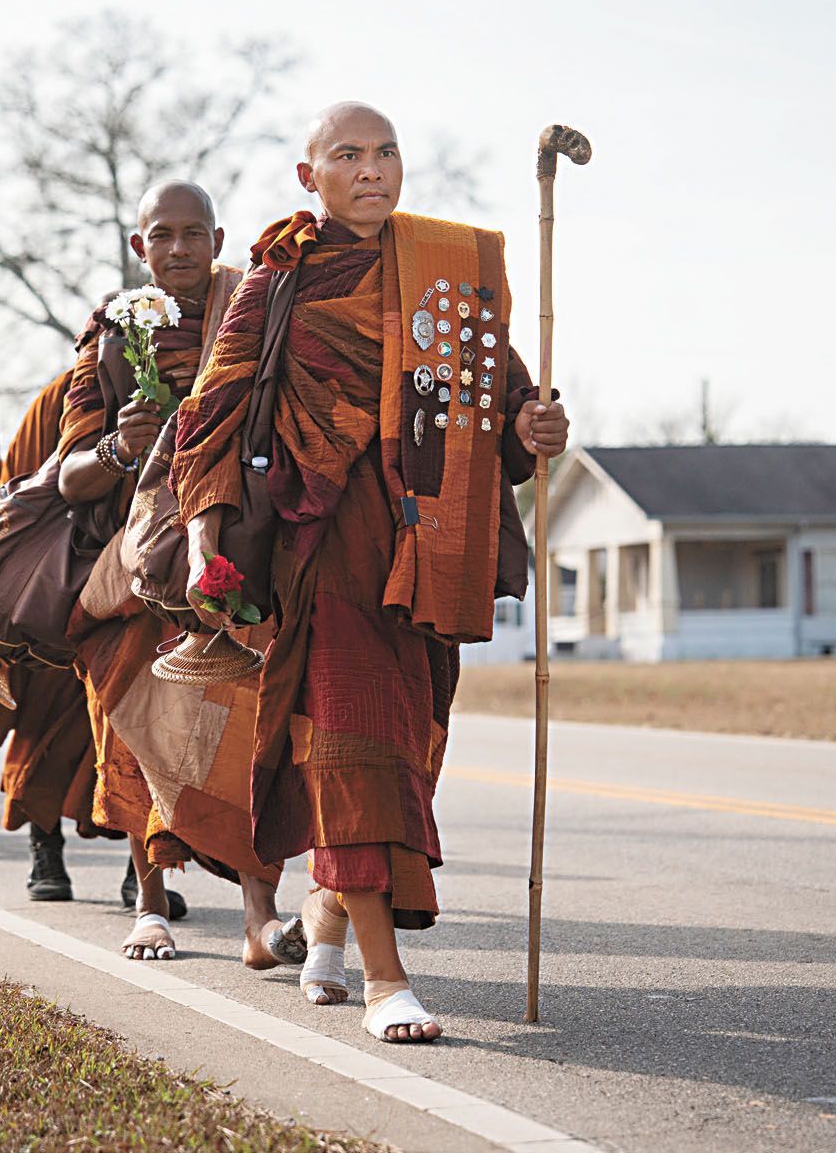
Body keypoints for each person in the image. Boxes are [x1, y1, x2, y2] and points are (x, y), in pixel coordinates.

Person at [170, 103, 570, 1042]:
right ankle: (389, 982)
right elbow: (210, 419)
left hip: (430, 550)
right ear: (308, 177)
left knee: (409, 753)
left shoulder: (443, 266)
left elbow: (502, 396)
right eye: (346, 155)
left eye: (385, 152)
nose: (371, 169)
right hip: (325, 553)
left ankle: (326, 917)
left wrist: (534, 427)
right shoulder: (277, 282)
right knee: (351, 745)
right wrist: (203, 544)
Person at [58, 180, 302, 965]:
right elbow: (68, 476)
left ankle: (258, 916)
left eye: (192, 234)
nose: (178, 250)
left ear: (218, 239)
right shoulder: (113, 333)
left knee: (247, 724)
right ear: (139, 248)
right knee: (132, 715)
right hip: (137, 558)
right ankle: (150, 899)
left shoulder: (256, 315)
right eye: (160, 236)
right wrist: (119, 450)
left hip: (232, 546)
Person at [0, 366, 100, 901]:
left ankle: (146, 873)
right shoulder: (56, 400)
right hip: (52, 584)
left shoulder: (164, 381)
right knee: (41, 721)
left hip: (131, 572)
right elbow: (12, 498)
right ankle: (45, 845)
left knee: (139, 726)